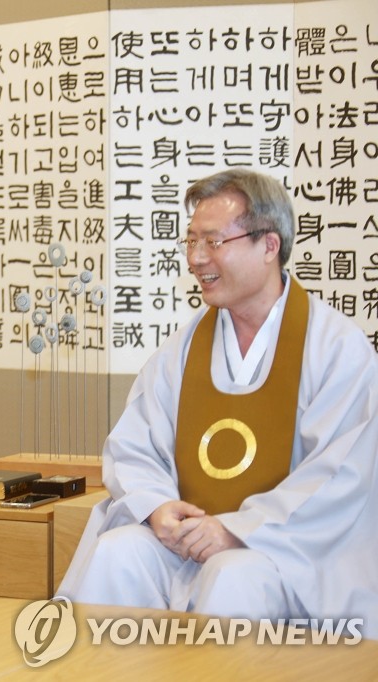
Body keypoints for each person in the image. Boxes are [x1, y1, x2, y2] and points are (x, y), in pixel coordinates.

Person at [57, 168, 378, 637]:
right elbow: (135, 445)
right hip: (187, 542)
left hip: (283, 551)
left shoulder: (335, 348)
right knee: (118, 552)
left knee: (232, 575)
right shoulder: (183, 350)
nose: (196, 258)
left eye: (213, 241)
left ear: (269, 245)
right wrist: (158, 508)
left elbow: (339, 475)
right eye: (191, 242)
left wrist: (239, 529)